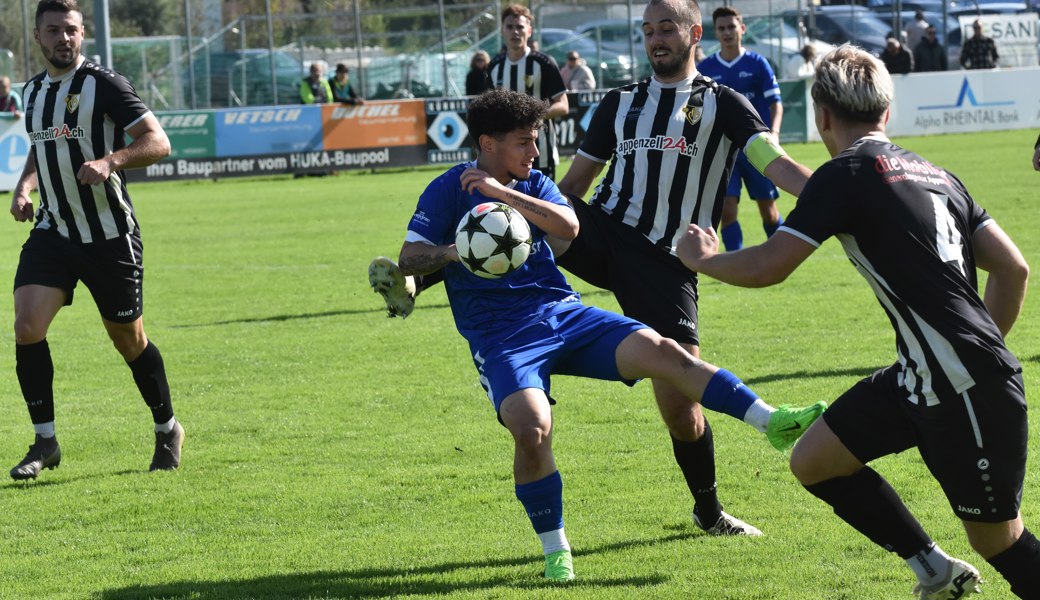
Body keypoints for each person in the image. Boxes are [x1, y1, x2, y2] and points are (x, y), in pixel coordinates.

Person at [370, 0, 822, 541]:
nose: (656, 39)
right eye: (648, 30)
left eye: (667, 29)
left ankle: (709, 512)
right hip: (600, 232)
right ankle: (420, 276)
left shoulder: (724, 104)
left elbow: (778, 165)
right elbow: (574, 190)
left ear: (693, 34)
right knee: (509, 221)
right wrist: (512, 211)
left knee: (681, 405)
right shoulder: (619, 103)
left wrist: (837, 198)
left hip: (664, 260)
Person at [677, 45, 1040, 599]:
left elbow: (770, 265)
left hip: (962, 388)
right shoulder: (933, 171)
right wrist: (965, 351)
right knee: (815, 459)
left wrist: (702, 260)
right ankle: (935, 570)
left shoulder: (843, 174)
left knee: (1001, 544)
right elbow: (1013, 269)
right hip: (925, 377)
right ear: (886, 113)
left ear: (821, 114)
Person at [8, 0, 181, 480]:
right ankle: (45, 441)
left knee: (129, 341)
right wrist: (25, 186)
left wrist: (111, 161)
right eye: (54, 30)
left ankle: (167, 428)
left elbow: (158, 141)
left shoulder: (103, 84)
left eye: (71, 30)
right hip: (54, 231)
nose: (64, 38)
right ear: (38, 37)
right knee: (27, 327)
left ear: (82, 33)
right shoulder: (34, 91)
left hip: (109, 234)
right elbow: (43, 146)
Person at [698, 5, 786, 251]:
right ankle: (734, 261)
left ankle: (779, 254)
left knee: (768, 211)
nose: (727, 32)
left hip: (758, 146)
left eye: (731, 27)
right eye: (721, 28)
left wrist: (774, 135)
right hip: (724, 150)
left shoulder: (758, 64)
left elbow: (775, 104)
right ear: (715, 32)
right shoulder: (705, 70)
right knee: (727, 209)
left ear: (742, 29)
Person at [487, 4, 568, 181]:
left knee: (541, 207)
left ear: (529, 31)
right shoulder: (494, 67)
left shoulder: (544, 63)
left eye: (520, 27)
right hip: (504, 155)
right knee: (506, 207)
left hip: (540, 152)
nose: (515, 32)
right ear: (502, 31)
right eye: (510, 27)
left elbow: (563, 105)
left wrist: (530, 117)